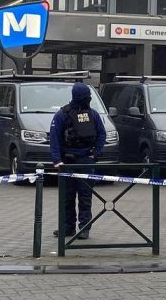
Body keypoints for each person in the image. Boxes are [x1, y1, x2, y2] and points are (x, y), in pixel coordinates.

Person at [50, 83, 106, 240]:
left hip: (85, 162)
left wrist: (95, 154)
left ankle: (84, 228)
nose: (88, 100)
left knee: (85, 197)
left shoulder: (93, 114)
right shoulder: (62, 114)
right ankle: (68, 228)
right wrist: (57, 160)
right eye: (86, 97)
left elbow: (102, 135)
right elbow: (54, 138)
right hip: (68, 162)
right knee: (67, 198)